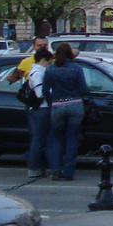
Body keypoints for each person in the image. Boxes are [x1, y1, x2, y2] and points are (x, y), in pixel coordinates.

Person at [41, 43, 89, 181]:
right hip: (75, 104)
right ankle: (69, 172)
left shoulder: (50, 69)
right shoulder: (76, 68)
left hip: (57, 104)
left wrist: (52, 101)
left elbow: (45, 90)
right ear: (70, 54)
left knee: (56, 139)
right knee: (72, 138)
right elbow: (84, 89)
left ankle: (56, 170)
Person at [9, 43, 53, 179]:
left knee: (38, 138)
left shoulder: (34, 72)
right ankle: (33, 166)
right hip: (42, 109)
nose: (49, 65)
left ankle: (36, 165)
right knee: (39, 139)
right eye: (48, 62)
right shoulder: (39, 74)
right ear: (43, 60)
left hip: (36, 109)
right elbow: (40, 93)